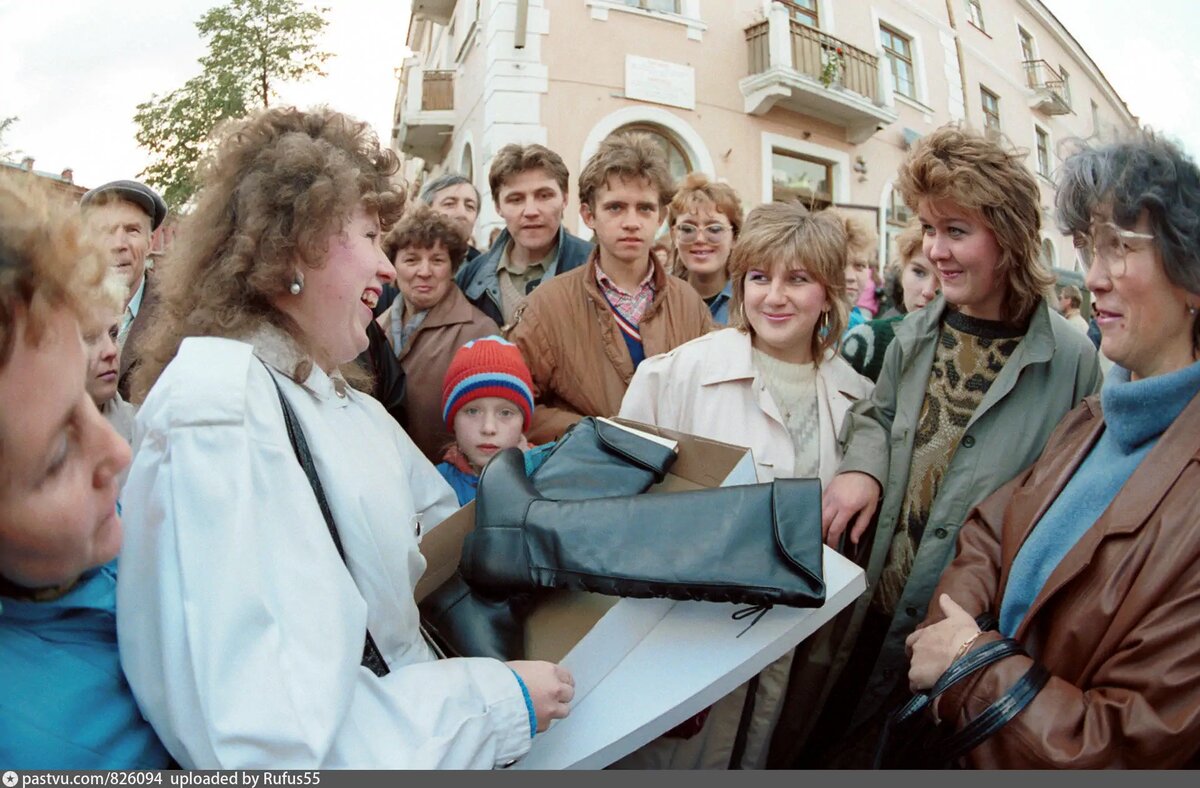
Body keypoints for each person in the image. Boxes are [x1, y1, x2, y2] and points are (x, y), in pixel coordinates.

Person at [116, 106, 573, 769]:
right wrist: (495, 706)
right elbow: (260, 743)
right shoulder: (217, 409)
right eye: (369, 235)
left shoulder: (341, 401)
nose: (387, 268)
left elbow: (441, 542)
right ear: (292, 245)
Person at [771, 124, 1102, 768]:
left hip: (960, 627)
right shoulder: (916, 330)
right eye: (928, 228)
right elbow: (877, 412)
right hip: (870, 605)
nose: (935, 250)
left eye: (956, 230)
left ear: (1008, 236)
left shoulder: (1071, 360)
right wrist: (863, 467)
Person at [906, 130, 1200, 768]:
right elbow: (989, 531)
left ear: (1193, 273)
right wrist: (957, 631)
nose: (1092, 277)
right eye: (1091, 247)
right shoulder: (1092, 418)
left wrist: (969, 666)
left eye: (1121, 247)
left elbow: (1126, 746)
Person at [618, 202, 873, 769]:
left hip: (789, 639)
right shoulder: (678, 373)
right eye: (759, 278)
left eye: (797, 280)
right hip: (685, 633)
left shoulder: (857, 396)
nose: (774, 297)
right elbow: (622, 504)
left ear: (828, 293)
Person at [0, 174, 171, 769]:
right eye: (55, 459)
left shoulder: (92, 546)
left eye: (83, 402)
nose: (116, 454)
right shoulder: (41, 751)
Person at [508, 132, 713, 444]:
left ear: (660, 216)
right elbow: (513, 405)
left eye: (645, 208)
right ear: (589, 215)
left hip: (676, 471)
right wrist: (596, 434)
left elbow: (711, 399)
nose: (631, 222)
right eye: (615, 207)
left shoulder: (689, 304)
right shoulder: (545, 307)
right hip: (588, 470)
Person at [375, 205, 499, 462]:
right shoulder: (373, 327)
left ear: (453, 268)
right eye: (411, 260)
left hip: (449, 478)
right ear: (393, 266)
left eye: (437, 260)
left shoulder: (479, 331)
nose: (424, 271)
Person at [455, 144, 592, 327]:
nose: (531, 211)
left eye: (544, 196)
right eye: (516, 199)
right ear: (498, 207)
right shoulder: (470, 277)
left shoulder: (595, 266)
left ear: (564, 199)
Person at [436, 335, 552, 505]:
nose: (488, 428)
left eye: (505, 413)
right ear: (453, 421)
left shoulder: (550, 476)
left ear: (523, 423)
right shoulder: (436, 487)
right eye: (472, 411)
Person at [79, 178, 167, 401]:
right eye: (105, 231)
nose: (119, 244)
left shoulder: (178, 314)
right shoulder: (65, 309)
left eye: (132, 230)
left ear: (151, 242)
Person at [841, 220, 940, 381]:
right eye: (919, 272)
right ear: (902, 272)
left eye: (944, 275)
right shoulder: (867, 340)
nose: (928, 291)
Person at [667, 172, 743, 324]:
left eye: (714, 229)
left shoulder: (748, 301)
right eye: (688, 229)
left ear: (734, 237)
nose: (700, 239)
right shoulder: (657, 299)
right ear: (674, 236)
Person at [833, 211, 876, 334]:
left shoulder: (869, 332)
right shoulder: (805, 329)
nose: (850, 277)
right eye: (841, 265)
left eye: (859, 266)